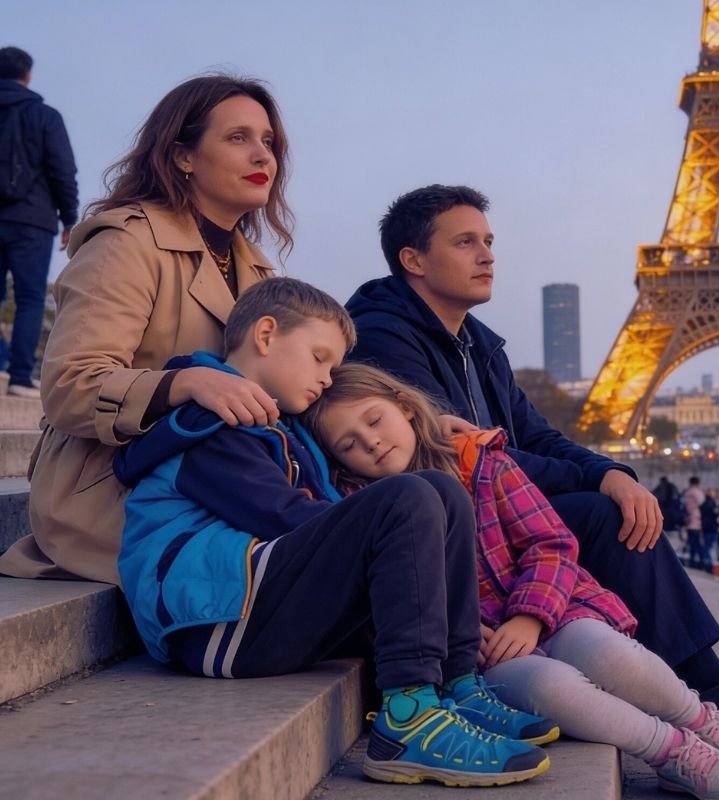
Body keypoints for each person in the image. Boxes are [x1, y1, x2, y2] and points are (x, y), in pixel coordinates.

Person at [345, 184, 719, 729]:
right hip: (449, 527)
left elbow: (537, 437)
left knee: (616, 503)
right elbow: (466, 457)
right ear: (414, 260)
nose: (487, 255)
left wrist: (610, 471)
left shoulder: (477, 345)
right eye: (466, 242)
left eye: (489, 241)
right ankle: (701, 679)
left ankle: (681, 676)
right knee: (606, 516)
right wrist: (599, 484)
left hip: (488, 517)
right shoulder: (384, 338)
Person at [113, 279, 552, 786]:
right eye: (319, 358)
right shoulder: (211, 425)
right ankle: (408, 718)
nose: (326, 378)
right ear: (265, 335)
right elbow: (286, 518)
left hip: (254, 600)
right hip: (213, 620)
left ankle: (457, 684)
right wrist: (385, 539)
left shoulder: (277, 425)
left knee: (439, 488)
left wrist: (426, 432)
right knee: (405, 498)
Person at [305, 363, 719, 800]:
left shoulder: (484, 462)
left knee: (610, 653)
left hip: (553, 609)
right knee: (552, 688)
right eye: (348, 444)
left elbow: (551, 543)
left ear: (405, 406)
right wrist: (458, 634)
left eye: (374, 421)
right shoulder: (364, 512)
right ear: (339, 461)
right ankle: (671, 751)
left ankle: (699, 719)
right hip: (485, 654)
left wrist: (530, 617)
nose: (370, 442)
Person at [0, 75, 295, 584]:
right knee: (339, 556)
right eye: (238, 137)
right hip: (110, 489)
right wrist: (187, 383)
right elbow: (70, 385)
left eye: (268, 141)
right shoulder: (125, 242)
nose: (262, 156)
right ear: (183, 156)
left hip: (223, 477)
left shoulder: (259, 271)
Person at [0, 47, 77, 397]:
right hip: (32, 221)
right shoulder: (45, 116)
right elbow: (63, 170)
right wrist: (69, 218)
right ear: (27, 75)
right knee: (31, 299)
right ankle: (19, 377)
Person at [683, 475, 707, 569]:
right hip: (697, 520)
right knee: (699, 543)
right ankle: (701, 563)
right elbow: (702, 503)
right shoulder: (697, 492)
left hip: (689, 520)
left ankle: (692, 561)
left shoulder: (687, 492)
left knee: (691, 543)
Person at [653, 475, 683, 545]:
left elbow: (654, 494)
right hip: (672, 509)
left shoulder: (660, 487)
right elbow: (678, 496)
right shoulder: (672, 486)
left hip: (663, 509)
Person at [701, 488, 719, 567]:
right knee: (711, 546)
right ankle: (710, 563)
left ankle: (707, 562)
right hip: (712, 527)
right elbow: (715, 514)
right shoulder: (712, 504)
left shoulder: (704, 503)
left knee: (707, 546)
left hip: (707, 527)